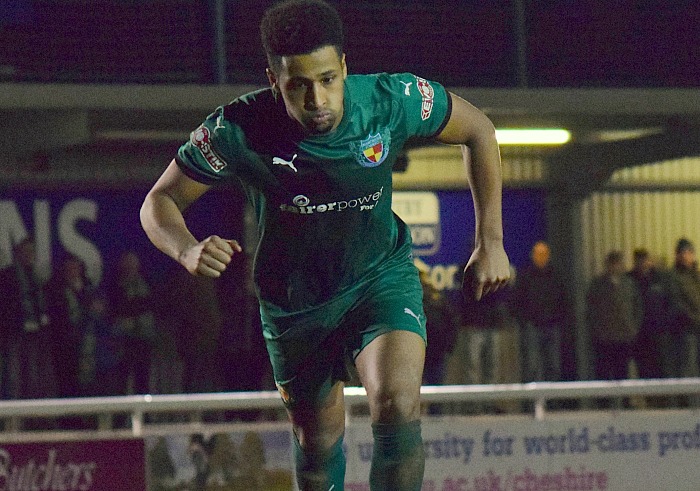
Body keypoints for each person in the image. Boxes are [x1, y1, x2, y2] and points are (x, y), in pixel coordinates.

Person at [140, 1, 510, 489]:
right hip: (296, 303)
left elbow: (479, 130)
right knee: (317, 440)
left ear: (344, 69)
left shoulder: (390, 99)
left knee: (396, 404)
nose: (317, 98)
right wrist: (186, 248)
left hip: (380, 277)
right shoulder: (236, 129)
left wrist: (491, 240)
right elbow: (159, 200)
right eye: (299, 85)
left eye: (328, 79)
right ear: (275, 81)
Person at [0, 237, 55, 400]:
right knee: (13, 376)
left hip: (36, 335)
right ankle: (13, 420)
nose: (29, 255)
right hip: (14, 334)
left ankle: (32, 418)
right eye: (25, 251)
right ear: (17, 254)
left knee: (33, 376)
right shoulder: (6, 276)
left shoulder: (36, 276)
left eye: (31, 252)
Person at [586, 251, 643, 406]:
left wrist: (633, 328)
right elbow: (590, 311)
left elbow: (638, 307)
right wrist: (597, 331)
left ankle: (625, 402)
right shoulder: (597, 285)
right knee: (603, 373)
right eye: (613, 263)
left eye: (618, 263)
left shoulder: (629, 284)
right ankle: (603, 404)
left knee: (622, 373)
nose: (616, 266)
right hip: (605, 339)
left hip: (624, 337)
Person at [512, 241, 570, 384]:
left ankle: (552, 402)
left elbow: (564, 300)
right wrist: (525, 319)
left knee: (554, 365)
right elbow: (516, 301)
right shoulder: (525, 276)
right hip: (532, 326)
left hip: (552, 325)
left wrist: (559, 318)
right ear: (532, 256)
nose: (541, 258)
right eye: (538, 255)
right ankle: (534, 403)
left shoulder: (556, 276)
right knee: (532, 366)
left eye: (544, 255)